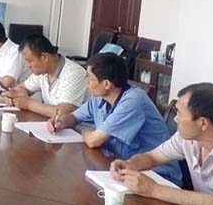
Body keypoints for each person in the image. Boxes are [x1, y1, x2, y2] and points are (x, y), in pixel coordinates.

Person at [48, 52, 181, 185]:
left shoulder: (132, 101)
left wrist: (84, 131)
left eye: (89, 78)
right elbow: (74, 117)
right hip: (122, 166)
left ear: (106, 84)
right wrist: (61, 121)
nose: (86, 82)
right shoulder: (99, 98)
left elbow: (93, 141)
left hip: (157, 175)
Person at [3, 33, 87, 117]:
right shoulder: (43, 72)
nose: (27, 66)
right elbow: (23, 87)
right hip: (51, 122)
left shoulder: (73, 73)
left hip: (79, 125)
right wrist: (16, 96)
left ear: (44, 57)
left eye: (29, 61)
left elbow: (63, 113)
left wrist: (27, 103)